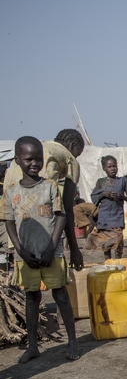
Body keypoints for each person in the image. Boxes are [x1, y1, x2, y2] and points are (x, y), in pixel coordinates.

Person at [2, 137, 79, 363]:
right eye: (29, 159)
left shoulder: (50, 186)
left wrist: (51, 247)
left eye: (38, 159)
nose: (35, 163)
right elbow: (8, 222)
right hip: (26, 254)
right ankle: (33, 345)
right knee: (32, 297)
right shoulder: (11, 192)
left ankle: (72, 342)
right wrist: (20, 250)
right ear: (17, 160)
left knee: (61, 295)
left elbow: (61, 217)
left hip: (51, 253)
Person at [3, 128, 86, 271]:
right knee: (54, 277)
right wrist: (74, 250)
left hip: (16, 211)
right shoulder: (69, 158)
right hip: (42, 223)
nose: (76, 157)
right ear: (72, 145)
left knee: (28, 274)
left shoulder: (38, 147)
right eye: (78, 153)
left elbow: (8, 217)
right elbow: (66, 208)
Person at [88, 156, 127, 259]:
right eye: (109, 166)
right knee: (106, 244)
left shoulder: (122, 181)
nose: (113, 169)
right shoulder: (101, 182)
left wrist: (120, 196)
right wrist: (104, 194)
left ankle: (118, 261)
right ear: (104, 168)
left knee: (118, 242)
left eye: (114, 166)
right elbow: (94, 197)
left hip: (117, 216)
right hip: (104, 217)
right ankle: (108, 263)